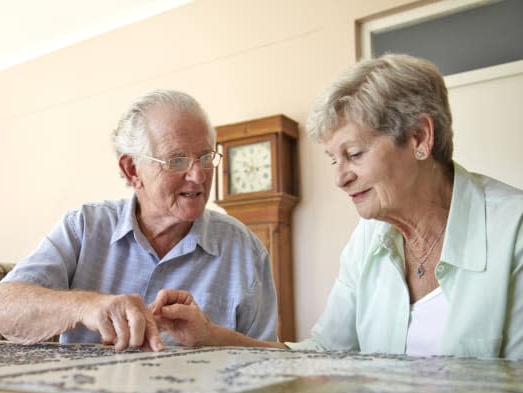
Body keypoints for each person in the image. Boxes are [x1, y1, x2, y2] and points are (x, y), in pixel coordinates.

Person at [152, 54, 523, 360]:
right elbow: (324, 358)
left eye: (355, 154)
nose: (340, 178)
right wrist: (209, 336)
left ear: (419, 138)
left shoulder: (515, 231)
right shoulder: (368, 238)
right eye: (334, 160)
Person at [0, 89, 278, 351]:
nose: (198, 175)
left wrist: (210, 337)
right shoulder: (85, 227)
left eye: (205, 157)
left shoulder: (244, 249)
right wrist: (87, 306)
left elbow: (271, 358)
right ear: (132, 170)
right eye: (176, 160)